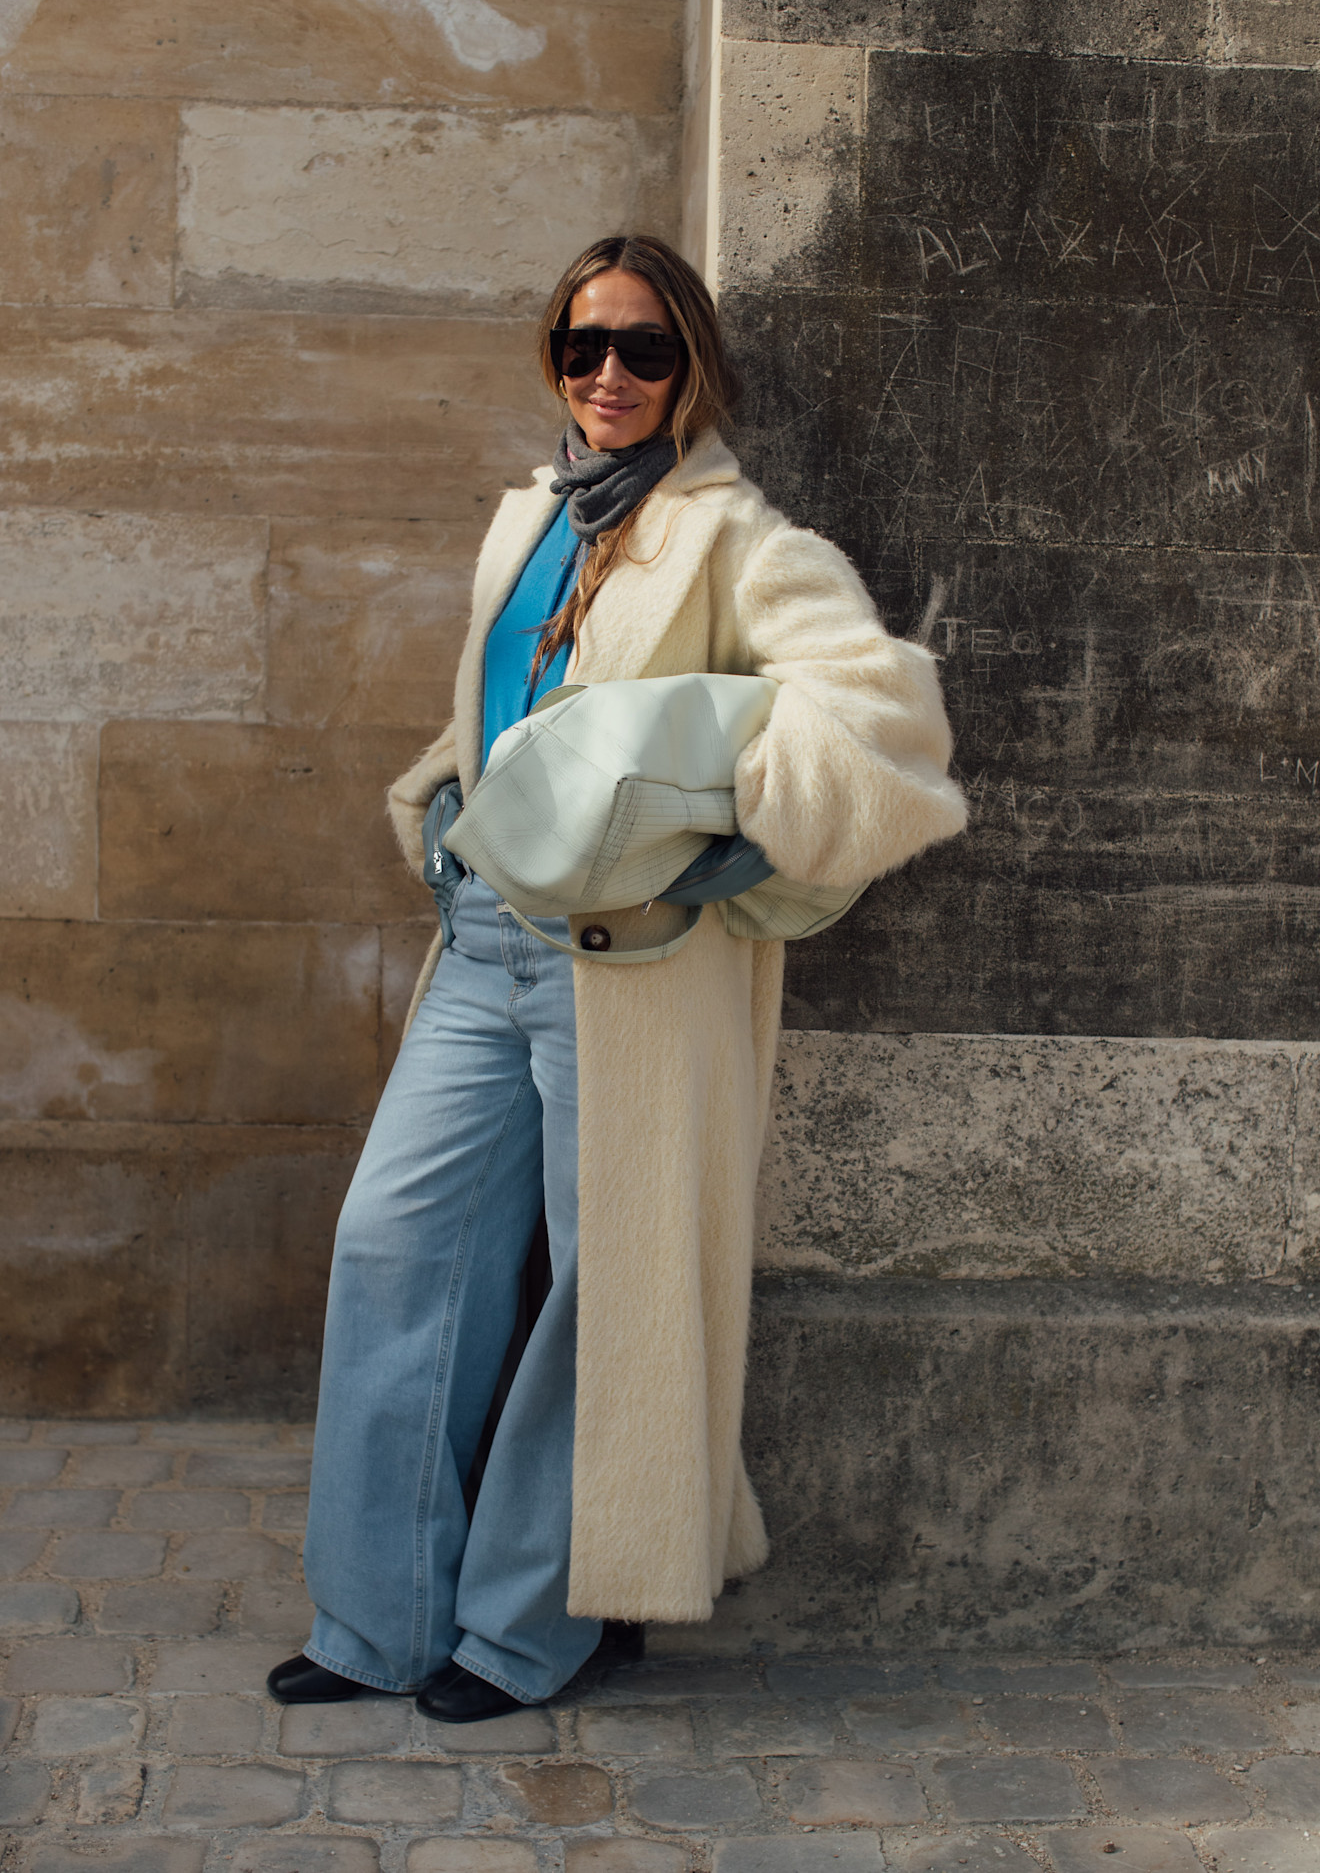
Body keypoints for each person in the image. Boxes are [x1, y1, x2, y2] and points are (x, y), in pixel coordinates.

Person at [267, 234, 967, 1723]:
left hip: (632, 970)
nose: (609, 374)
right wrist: (445, 796)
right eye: (583, 346)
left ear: (689, 365)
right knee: (393, 1249)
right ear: (554, 358)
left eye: (644, 349)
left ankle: (532, 1627)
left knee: (612, 1291)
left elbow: (882, 719)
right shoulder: (529, 515)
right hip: (481, 949)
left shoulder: (739, 538)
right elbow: (517, 712)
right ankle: (376, 1619)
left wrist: (731, 848)